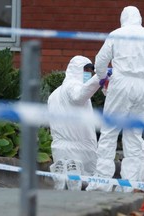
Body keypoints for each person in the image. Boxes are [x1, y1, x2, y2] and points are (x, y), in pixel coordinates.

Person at [86, 6, 144, 192]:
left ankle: (101, 182)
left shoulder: (116, 34)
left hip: (121, 84)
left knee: (110, 131)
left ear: (123, 18)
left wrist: (102, 77)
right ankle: (129, 185)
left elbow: (101, 59)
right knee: (134, 135)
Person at [47, 55, 102, 190]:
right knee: (87, 181)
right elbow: (78, 96)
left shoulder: (54, 94)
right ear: (77, 70)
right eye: (87, 70)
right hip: (80, 148)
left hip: (59, 147)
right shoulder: (74, 87)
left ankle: (62, 174)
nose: (89, 74)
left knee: (65, 186)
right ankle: (74, 174)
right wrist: (99, 77)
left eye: (91, 71)